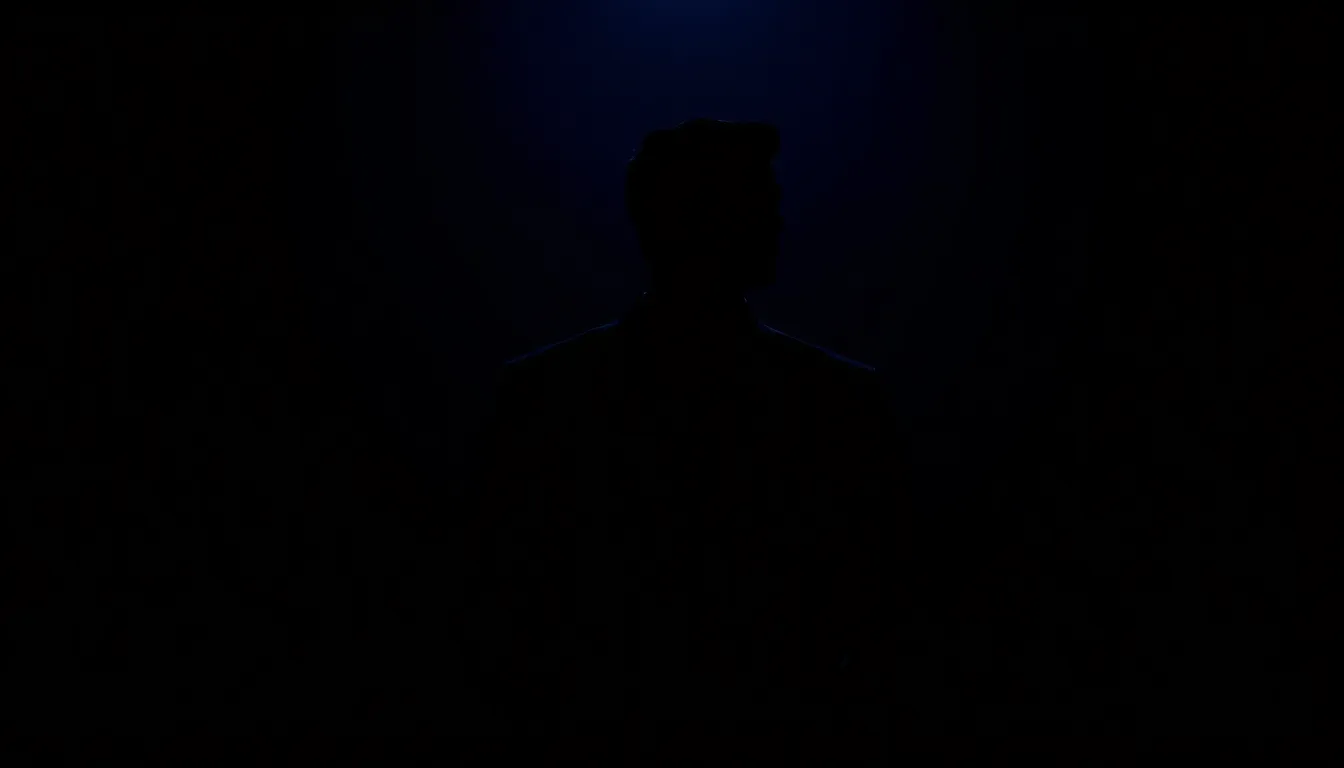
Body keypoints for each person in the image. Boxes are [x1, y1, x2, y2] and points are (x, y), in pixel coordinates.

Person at [465, 119, 913, 733]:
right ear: (701, 218)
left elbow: (504, 612)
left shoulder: (545, 394)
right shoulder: (839, 403)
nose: (780, 222)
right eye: (761, 203)